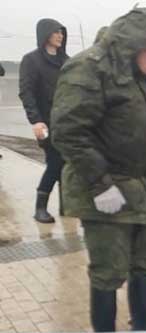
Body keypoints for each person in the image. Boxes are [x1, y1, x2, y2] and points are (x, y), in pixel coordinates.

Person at [51, 7, 146, 332]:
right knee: (109, 270)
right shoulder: (89, 69)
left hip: (141, 186)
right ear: (136, 44)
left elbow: (144, 128)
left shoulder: (137, 74)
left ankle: (145, 330)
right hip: (107, 189)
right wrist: (100, 184)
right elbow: (68, 130)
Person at [18, 18, 69, 224]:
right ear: (45, 34)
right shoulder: (31, 60)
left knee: (67, 164)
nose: (60, 35)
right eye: (56, 32)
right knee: (55, 162)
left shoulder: (67, 60)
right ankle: (40, 207)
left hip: (67, 122)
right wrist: (36, 121)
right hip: (46, 123)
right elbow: (26, 92)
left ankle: (67, 206)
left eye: (62, 32)